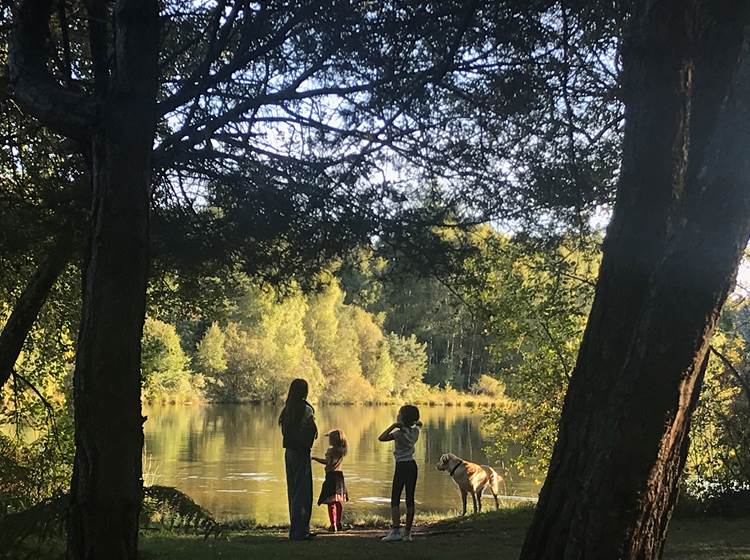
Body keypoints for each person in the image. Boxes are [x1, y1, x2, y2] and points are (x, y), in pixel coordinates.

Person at [279, 378, 318, 540]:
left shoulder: (287, 409)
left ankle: (295, 530)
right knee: (303, 492)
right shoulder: (306, 409)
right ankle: (301, 531)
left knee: (293, 490)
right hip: (302, 453)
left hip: (289, 452)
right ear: (305, 391)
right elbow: (313, 431)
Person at [378, 404, 421, 542]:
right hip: (412, 466)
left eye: (399, 414)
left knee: (395, 497)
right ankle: (408, 533)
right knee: (410, 498)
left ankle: (396, 530)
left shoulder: (398, 434)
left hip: (401, 466)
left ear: (402, 418)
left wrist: (393, 426)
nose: (397, 415)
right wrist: (412, 423)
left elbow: (381, 438)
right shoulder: (415, 432)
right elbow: (418, 424)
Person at [312, 429, 349, 532]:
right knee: (338, 502)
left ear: (333, 440)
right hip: (339, 476)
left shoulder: (331, 451)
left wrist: (315, 458)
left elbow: (327, 462)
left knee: (330, 502)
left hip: (331, 477)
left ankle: (333, 525)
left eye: (330, 438)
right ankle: (339, 523)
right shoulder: (342, 450)